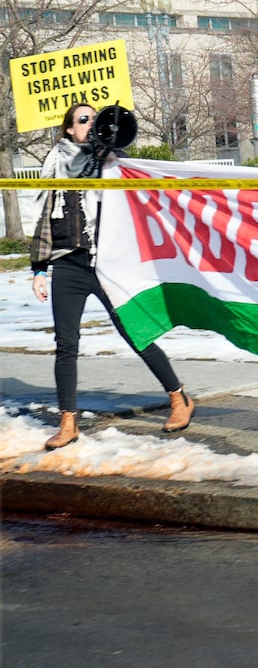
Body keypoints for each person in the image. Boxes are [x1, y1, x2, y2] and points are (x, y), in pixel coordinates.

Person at [29, 104, 197, 450]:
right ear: (68, 129)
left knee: (135, 330)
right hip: (68, 264)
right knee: (66, 345)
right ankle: (68, 422)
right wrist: (39, 269)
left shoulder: (114, 163)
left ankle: (179, 398)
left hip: (107, 263)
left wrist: (111, 153)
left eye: (95, 119)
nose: (91, 124)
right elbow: (45, 217)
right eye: (83, 120)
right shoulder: (56, 163)